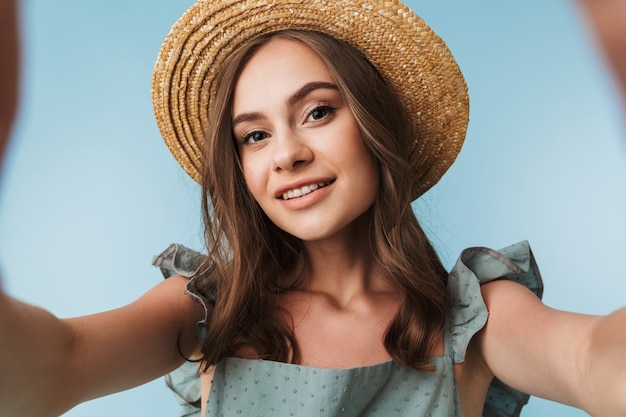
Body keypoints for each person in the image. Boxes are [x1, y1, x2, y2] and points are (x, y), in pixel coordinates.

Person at [0, 1, 625, 417]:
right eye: (255, 135)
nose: (287, 155)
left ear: (376, 126)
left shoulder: (477, 316)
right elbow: (53, 367)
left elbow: (600, 363)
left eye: (318, 111)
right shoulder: (207, 309)